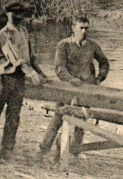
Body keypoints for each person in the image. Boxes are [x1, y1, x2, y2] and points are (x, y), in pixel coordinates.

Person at [0, 1, 47, 161]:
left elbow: (30, 57)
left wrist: (41, 73)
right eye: (15, 13)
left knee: (14, 117)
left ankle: (7, 149)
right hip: (4, 77)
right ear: (8, 14)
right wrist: (32, 74)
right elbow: (17, 60)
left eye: (21, 13)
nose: (19, 16)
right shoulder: (4, 34)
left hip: (19, 79)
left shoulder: (24, 31)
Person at [38, 16, 110, 158]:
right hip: (68, 88)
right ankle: (44, 148)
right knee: (58, 117)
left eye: (86, 28)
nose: (83, 31)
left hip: (87, 89)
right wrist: (71, 79)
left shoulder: (92, 46)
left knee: (82, 120)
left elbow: (105, 63)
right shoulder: (64, 45)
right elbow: (59, 68)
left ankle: (74, 151)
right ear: (73, 28)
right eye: (81, 28)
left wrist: (99, 79)